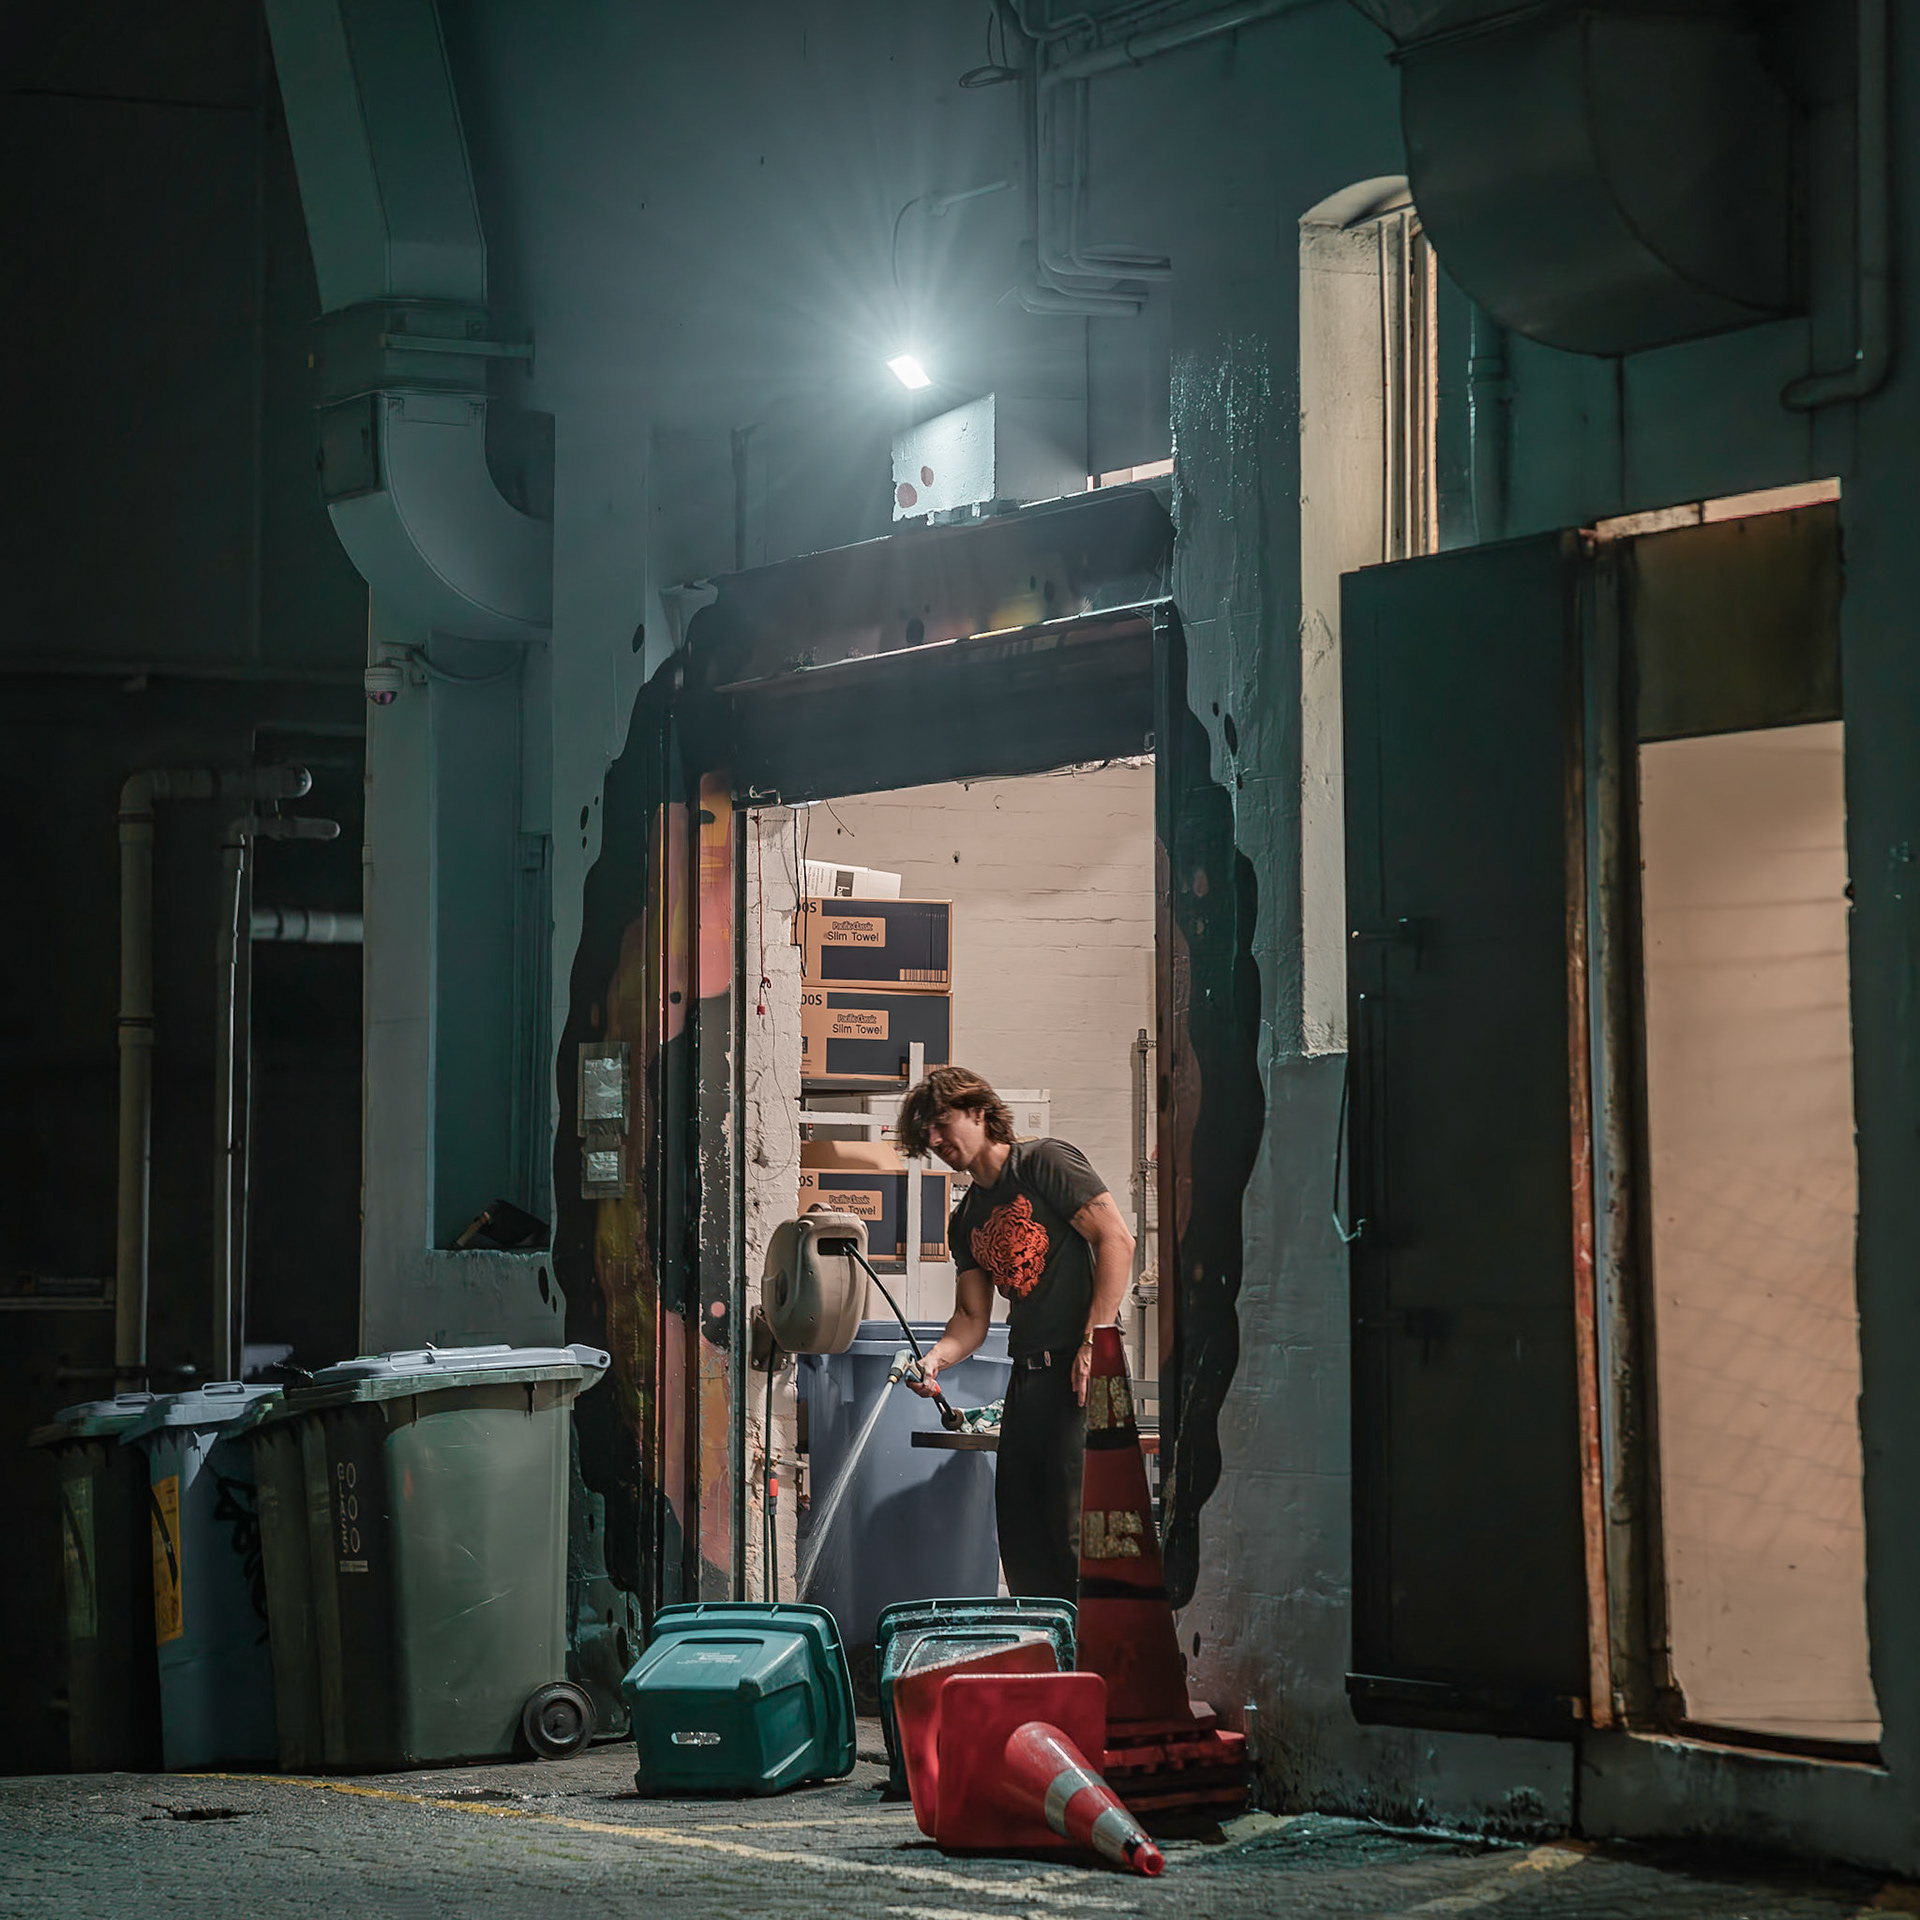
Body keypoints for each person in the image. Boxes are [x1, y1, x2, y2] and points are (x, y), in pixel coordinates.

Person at [895, 1066, 1134, 1604]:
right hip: (1025, 1379)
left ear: (979, 1110)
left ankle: (1096, 1671)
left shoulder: (1045, 1163)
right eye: (925, 1134)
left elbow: (1118, 1239)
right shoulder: (965, 1220)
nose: (935, 1141)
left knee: (1076, 1536)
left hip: (1080, 1372)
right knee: (1024, 1537)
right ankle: (1048, 1657)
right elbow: (971, 1320)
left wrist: (1095, 1340)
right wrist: (934, 1360)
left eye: (941, 1123)